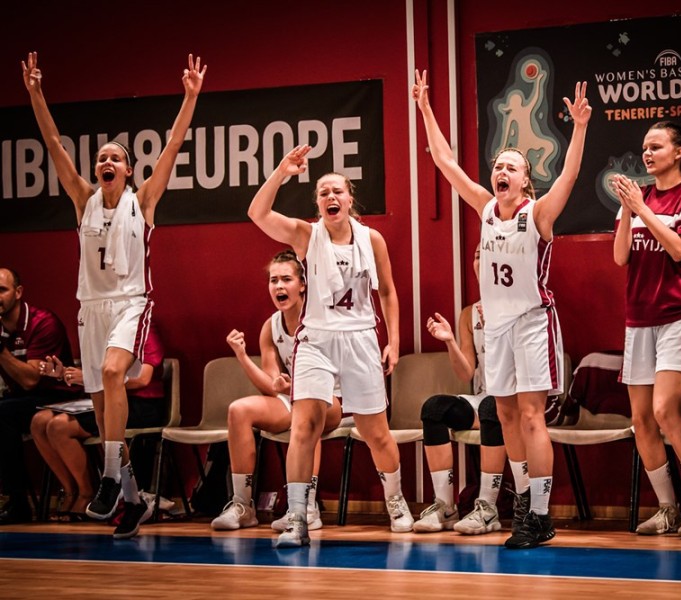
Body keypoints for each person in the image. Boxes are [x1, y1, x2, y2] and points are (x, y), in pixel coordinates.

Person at [21, 51, 206, 538]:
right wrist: (36, 94)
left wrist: (189, 98)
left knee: (110, 373)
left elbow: (172, 145)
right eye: (101, 157)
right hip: (91, 308)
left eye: (115, 158)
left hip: (130, 302)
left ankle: (106, 479)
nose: (107, 161)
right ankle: (131, 498)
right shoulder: (83, 201)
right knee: (104, 409)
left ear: (128, 170)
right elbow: (53, 145)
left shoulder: (142, 201)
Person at [413, 70, 592, 549]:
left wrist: (578, 128)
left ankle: (541, 515)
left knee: (532, 417)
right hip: (497, 328)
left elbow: (570, 175)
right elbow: (445, 162)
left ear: (525, 180)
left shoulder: (538, 213)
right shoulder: (486, 208)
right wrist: (426, 109)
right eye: (498, 165)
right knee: (506, 416)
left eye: (511, 166)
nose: (502, 171)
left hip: (533, 322)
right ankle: (525, 502)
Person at [248, 148, 412, 548]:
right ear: (318, 203)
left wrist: (393, 341)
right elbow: (258, 213)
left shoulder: (372, 239)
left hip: (360, 338)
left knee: (376, 432)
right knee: (303, 426)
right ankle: (298, 517)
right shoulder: (307, 235)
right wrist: (281, 172)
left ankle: (396, 502)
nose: (330, 196)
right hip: (316, 341)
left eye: (337, 190)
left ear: (349, 199)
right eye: (323, 192)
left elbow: (388, 292)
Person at [611, 121, 681, 538]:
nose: (647, 153)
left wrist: (641, 209)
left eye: (656, 146)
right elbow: (621, 257)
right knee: (641, 419)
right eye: (645, 147)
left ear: (679, 152)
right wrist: (629, 210)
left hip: (680, 313)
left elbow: (679, 249)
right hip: (639, 318)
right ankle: (667, 508)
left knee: (664, 411)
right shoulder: (637, 198)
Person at [210, 250, 344, 532]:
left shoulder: (322, 319)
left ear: (302, 285)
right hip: (294, 397)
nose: (279, 286)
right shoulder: (270, 326)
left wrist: (296, 388)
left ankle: (306, 507)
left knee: (308, 409)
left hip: (334, 400)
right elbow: (271, 386)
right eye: (274, 280)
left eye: (286, 279)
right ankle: (243, 506)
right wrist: (242, 356)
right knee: (238, 410)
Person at [413, 246, 515, 536]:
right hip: (484, 397)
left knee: (492, 407)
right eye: (477, 256)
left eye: (487, 255)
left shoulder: (520, 306)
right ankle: (445, 507)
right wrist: (449, 341)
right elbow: (465, 372)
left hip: (516, 400)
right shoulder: (470, 314)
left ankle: (488, 507)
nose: (480, 261)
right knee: (434, 408)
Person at [31, 323, 167, 530]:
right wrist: (64, 374)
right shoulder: (97, 330)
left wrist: (89, 378)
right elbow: (94, 377)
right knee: (39, 421)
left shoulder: (140, 326)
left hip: (142, 403)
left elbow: (142, 378)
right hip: (105, 400)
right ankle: (70, 490)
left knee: (59, 427)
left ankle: (88, 492)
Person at [0, 267, 81, 524]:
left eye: (2, 290)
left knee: (2, 415)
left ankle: (17, 502)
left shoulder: (42, 322)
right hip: (19, 400)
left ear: (18, 292)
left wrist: (0, 351)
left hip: (56, 397)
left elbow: (30, 380)